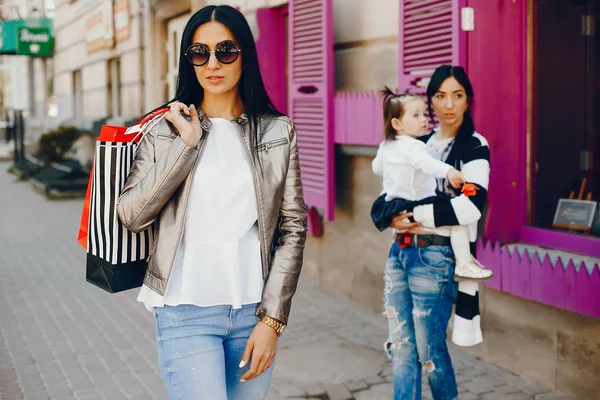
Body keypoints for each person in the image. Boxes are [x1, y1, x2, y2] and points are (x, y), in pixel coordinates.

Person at [116, 5, 307, 399]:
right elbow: (131, 215)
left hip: (253, 311)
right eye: (199, 53)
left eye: (226, 51)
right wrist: (185, 147)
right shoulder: (165, 131)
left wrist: (273, 320)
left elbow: (292, 229)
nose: (213, 63)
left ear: (245, 55)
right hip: (184, 310)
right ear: (189, 60)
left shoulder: (277, 131)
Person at [376, 65, 491, 399]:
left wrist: (413, 213)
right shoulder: (416, 141)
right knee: (400, 346)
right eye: (440, 96)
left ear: (468, 100)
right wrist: (388, 216)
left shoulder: (473, 145)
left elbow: (472, 206)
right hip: (400, 252)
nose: (449, 105)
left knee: (428, 352)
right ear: (430, 102)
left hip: (436, 258)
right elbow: (388, 193)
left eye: (457, 95)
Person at [371, 87, 493, 281]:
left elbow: (376, 168)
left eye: (424, 114)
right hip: (417, 201)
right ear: (397, 123)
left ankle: (465, 263)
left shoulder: (385, 146)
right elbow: (426, 164)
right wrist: (448, 171)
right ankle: (464, 263)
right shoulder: (415, 146)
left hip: (393, 203)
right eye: (416, 115)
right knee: (457, 222)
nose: (424, 120)